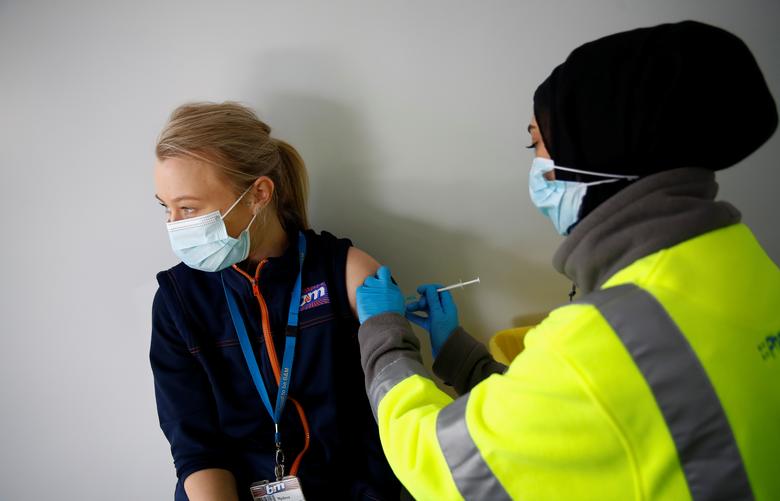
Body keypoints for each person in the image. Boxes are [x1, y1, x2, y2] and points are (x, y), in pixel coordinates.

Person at [355, 21, 779, 500]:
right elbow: (583, 412)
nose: (535, 164)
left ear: (597, 149)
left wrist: (385, 334)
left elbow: (434, 464)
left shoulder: (608, 336)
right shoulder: (740, 256)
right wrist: (456, 350)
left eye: (535, 143)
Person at [150, 102, 401, 500]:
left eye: (189, 208)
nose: (175, 226)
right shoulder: (178, 301)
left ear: (259, 194)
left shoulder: (347, 272)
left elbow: (391, 414)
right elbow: (195, 449)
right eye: (166, 207)